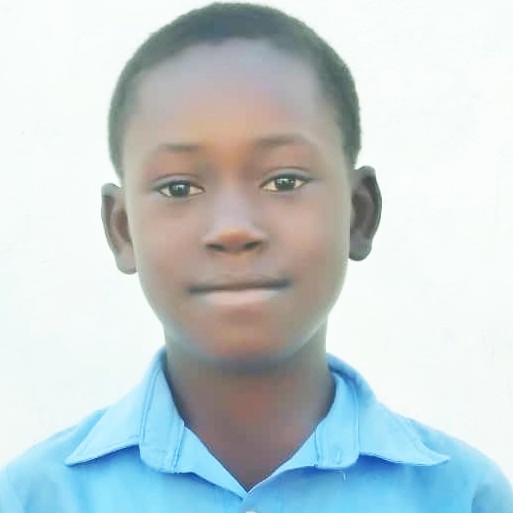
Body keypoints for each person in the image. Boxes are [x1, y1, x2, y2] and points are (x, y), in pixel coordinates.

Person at [1, 3, 512, 512]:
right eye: (179, 188)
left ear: (358, 214)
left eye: (284, 181)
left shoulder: (461, 497)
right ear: (122, 229)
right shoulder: (36, 499)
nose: (233, 229)